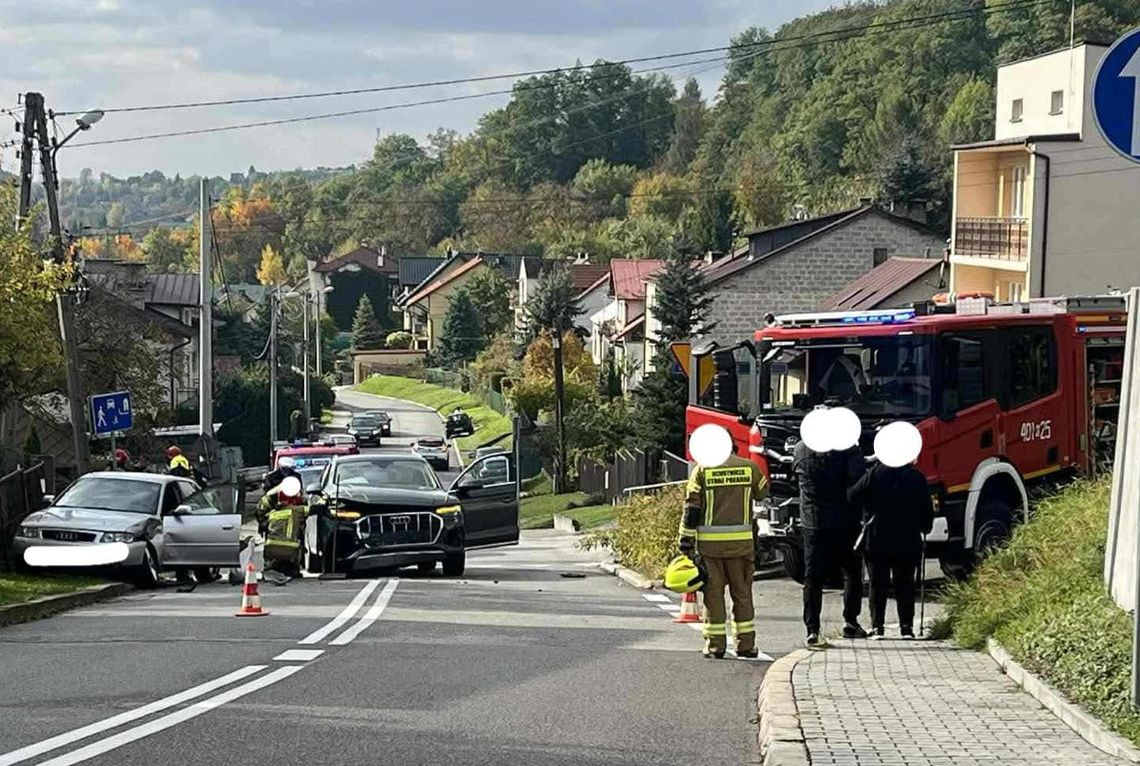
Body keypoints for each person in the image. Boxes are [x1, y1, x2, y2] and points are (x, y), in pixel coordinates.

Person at [679, 448, 768, 659]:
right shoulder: (749, 468)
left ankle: (715, 646)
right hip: (742, 547)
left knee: (713, 597)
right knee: (742, 595)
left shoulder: (702, 469)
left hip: (711, 549)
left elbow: (691, 508)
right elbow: (763, 493)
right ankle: (745, 645)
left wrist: (685, 540)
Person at [849, 459, 934, 639]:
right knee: (905, 584)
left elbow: (852, 495)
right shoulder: (916, 477)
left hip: (877, 538)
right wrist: (925, 527)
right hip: (908, 538)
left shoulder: (874, 474)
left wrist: (868, 506)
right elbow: (927, 511)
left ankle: (878, 627)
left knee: (877, 584)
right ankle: (906, 628)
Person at [794, 439, 867, 646]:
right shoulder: (848, 449)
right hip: (845, 521)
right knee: (852, 573)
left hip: (813, 522)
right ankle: (850, 622)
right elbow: (858, 481)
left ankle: (812, 630)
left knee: (812, 578)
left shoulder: (801, 449)